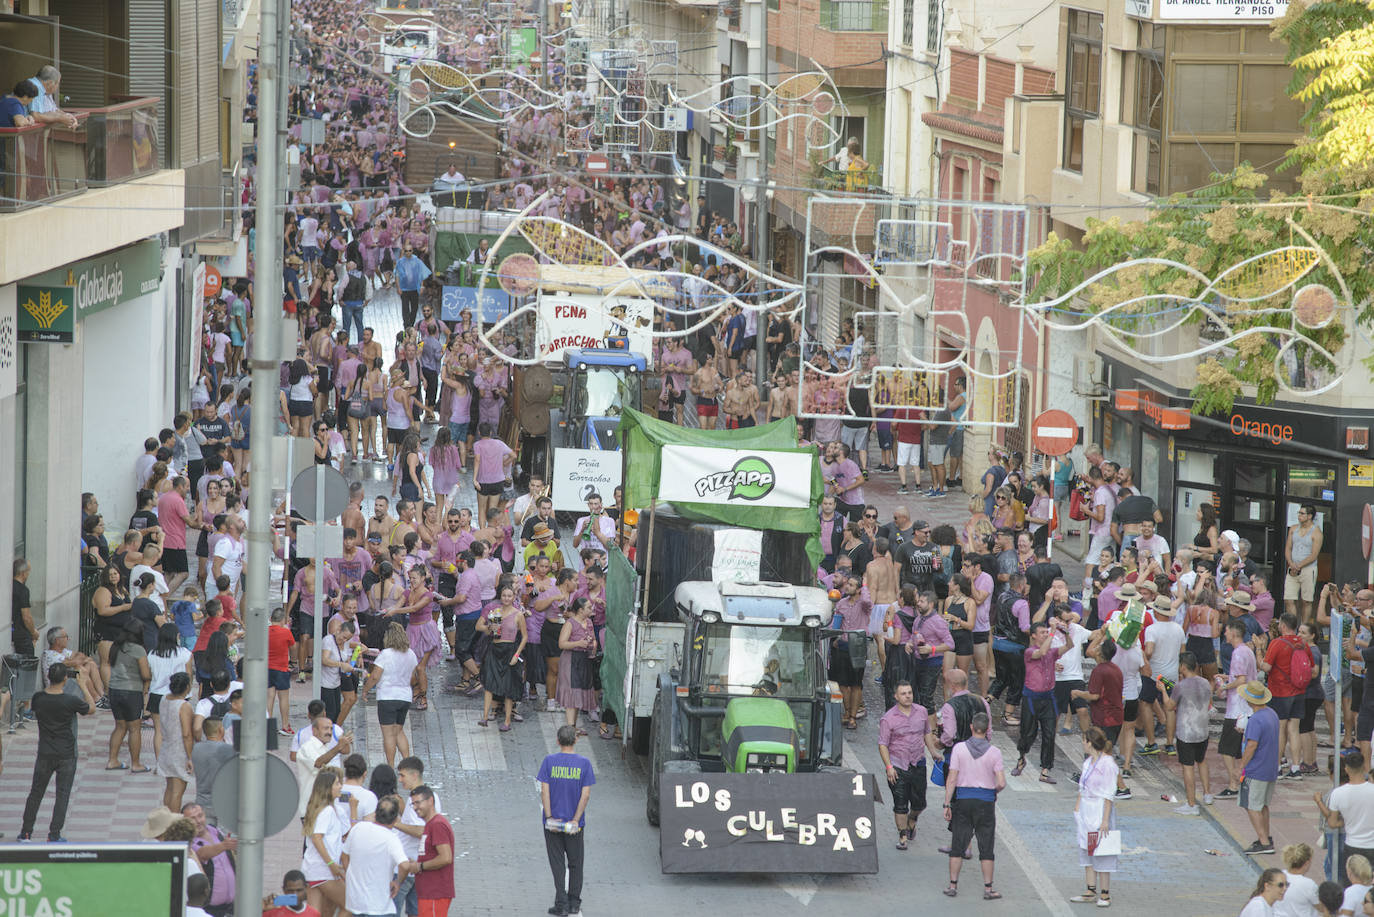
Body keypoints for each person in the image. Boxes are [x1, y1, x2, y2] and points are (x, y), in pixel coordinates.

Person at [18, 662, 97, 841]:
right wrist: (83, 685)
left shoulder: (38, 698)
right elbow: (91, 708)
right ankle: (54, 834)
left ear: (48, 677)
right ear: (65, 679)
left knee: (36, 792)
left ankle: (26, 832)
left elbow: (31, 707)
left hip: (45, 752)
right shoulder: (70, 701)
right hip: (66, 753)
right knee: (62, 794)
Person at [941, 712, 1005, 900]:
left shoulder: (959, 749)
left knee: (958, 845)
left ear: (971, 727)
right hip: (985, 803)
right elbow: (1001, 782)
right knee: (986, 847)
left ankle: (953, 886)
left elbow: (952, 778)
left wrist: (947, 803)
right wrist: (993, 792)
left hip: (963, 801)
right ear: (987, 729)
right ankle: (988, 889)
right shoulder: (995, 752)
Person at [878, 680, 942, 851]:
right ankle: (902, 836)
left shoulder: (921, 711)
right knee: (900, 803)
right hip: (898, 765)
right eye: (903, 693)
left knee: (920, 803)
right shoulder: (888, 718)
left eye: (909, 693)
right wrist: (889, 767)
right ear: (896, 696)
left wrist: (933, 752)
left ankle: (912, 820)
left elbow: (926, 733)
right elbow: (883, 744)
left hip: (918, 763)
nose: (907, 696)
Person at [539, 724, 596, 917]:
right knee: (575, 863)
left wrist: (549, 817)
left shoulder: (549, 761)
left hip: (553, 824)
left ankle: (561, 903)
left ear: (557, 741)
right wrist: (575, 820)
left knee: (557, 864)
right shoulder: (584, 764)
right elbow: (585, 795)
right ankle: (574, 903)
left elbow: (544, 791)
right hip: (574, 825)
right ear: (576, 740)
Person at [1068, 726, 1119, 908]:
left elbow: (1109, 794)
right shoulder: (1088, 762)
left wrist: (1105, 820)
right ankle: (1090, 890)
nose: (1082, 743)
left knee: (1102, 851)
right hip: (1086, 810)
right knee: (1087, 849)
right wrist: (1077, 809)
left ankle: (1105, 894)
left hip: (1099, 809)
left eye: (1084, 740)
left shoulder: (1108, 764)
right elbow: (1082, 788)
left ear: (1090, 743)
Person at [341, 795, 417, 917]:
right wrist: (397, 882)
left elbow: (344, 856)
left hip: (355, 903)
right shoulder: (391, 839)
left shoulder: (358, 828)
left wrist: (351, 875)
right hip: (379, 907)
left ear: (375, 814)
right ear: (395, 820)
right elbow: (405, 865)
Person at [359, 622, 418, 766]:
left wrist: (365, 690)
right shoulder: (411, 654)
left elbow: (375, 676)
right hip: (405, 697)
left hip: (387, 697)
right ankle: (407, 763)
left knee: (388, 735)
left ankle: (390, 766)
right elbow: (413, 678)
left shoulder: (385, 654)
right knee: (398, 731)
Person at [1013, 621, 1062, 784]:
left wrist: (1067, 633)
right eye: (1042, 632)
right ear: (1033, 635)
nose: (1046, 635)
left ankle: (1045, 769)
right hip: (1031, 698)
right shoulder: (1029, 651)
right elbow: (1041, 652)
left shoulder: (1052, 652)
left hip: (1048, 698)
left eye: (1046, 632)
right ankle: (1021, 758)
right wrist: (1053, 632)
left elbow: (1069, 646)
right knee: (1027, 733)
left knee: (1049, 734)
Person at [1165, 651, 1214, 814]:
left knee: (1188, 767)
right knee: (1202, 760)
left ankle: (1191, 804)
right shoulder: (1205, 682)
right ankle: (1207, 794)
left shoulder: (1180, 686)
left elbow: (1169, 706)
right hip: (1203, 730)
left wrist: (1163, 691)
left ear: (1183, 667)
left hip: (1186, 732)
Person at [1314, 748, 1374, 881]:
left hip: (1352, 844)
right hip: (1372, 844)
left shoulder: (1338, 793)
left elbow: (1332, 823)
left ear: (1347, 769)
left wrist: (1346, 821)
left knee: (1351, 880)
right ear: (1364, 767)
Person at [1239, 680, 1281, 855]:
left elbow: (1252, 745)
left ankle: (1264, 842)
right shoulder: (1272, 714)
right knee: (1263, 805)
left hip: (1256, 769)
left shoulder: (1255, 719)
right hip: (1270, 768)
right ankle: (1266, 837)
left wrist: (1241, 767)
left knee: (1251, 805)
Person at [104, 618, 151, 772]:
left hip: (114, 690)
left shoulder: (115, 647)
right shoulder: (138, 649)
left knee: (119, 727)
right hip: (132, 692)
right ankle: (136, 764)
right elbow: (145, 674)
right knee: (134, 729)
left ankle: (112, 760)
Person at [301, 769, 350, 917]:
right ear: (328, 789)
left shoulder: (321, 809)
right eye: (337, 784)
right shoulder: (327, 811)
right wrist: (331, 864)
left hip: (312, 869)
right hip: (323, 870)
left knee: (316, 913)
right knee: (350, 905)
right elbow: (317, 838)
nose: (341, 786)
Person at [184, 802, 237, 917]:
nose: (198, 821)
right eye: (193, 819)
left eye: (200, 815)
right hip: (210, 910)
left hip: (231, 908)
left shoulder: (214, 831)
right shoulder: (190, 842)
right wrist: (224, 845)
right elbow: (202, 853)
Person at [410, 784, 454, 917]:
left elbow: (446, 857)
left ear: (430, 801)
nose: (415, 807)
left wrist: (420, 866)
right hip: (428, 893)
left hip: (434, 893)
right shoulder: (431, 824)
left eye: (418, 802)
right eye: (413, 804)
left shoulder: (437, 825)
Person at [157, 671, 195, 812]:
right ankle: (174, 821)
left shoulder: (164, 699)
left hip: (166, 748)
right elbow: (186, 734)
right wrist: (190, 757)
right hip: (179, 751)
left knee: (170, 788)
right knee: (178, 791)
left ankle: (167, 819)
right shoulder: (184, 706)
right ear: (187, 687)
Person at [191, 718, 236, 825]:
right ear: (221, 730)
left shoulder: (196, 748)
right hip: (223, 804)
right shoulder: (227, 749)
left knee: (208, 834)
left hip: (202, 803)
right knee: (224, 834)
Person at [1286, 504, 1323, 622]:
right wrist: (1291, 563)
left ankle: (1304, 626)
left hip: (1308, 569)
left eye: (1302, 513)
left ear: (1310, 516)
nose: (1299, 516)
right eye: (1299, 513)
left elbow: (1314, 555)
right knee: (1288, 599)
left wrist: (1299, 566)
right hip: (1292, 568)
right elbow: (1288, 548)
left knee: (1306, 601)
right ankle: (1292, 626)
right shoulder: (1293, 529)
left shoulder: (1316, 532)